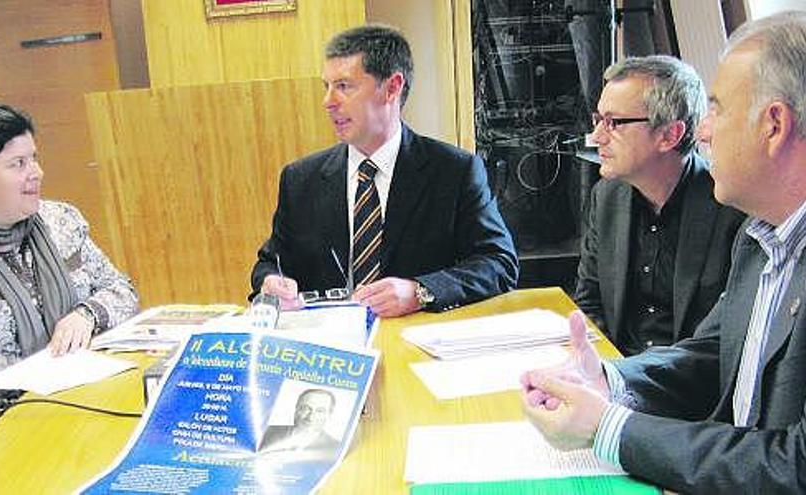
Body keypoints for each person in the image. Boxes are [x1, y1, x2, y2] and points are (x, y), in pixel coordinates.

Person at [522, 11, 806, 493]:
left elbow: (795, 467)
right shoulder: (761, 239)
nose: (705, 131)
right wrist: (608, 380)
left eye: (716, 110)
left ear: (774, 125)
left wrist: (609, 428)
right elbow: (710, 354)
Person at [0, 104, 139, 475]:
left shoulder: (61, 222)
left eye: (34, 159)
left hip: (78, 404)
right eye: (17, 164)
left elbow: (121, 289)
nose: (36, 173)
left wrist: (85, 314)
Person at [250, 25, 518, 318]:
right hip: (332, 347)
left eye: (344, 86)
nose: (328, 102)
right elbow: (271, 262)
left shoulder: (454, 171)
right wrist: (270, 282)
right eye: (326, 86)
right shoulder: (300, 179)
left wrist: (420, 292)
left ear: (392, 87)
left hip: (416, 342)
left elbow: (499, 263)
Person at [574, 55, 745, 356]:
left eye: (614, 123)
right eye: (598, 120)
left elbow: (723, 343)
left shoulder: (732, 208)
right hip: (616, 373)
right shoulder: (607, 197)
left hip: (689, 388)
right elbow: (590, 302)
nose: (597, 137)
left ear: (670, 135)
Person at [259, 388, 341, 457]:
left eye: (320, 411)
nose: (310, 417)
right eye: (306, 408)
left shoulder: (335, 447)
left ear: (329, 414)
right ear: (296, 409)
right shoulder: (267, 431)